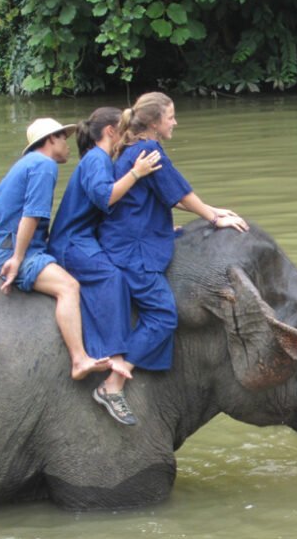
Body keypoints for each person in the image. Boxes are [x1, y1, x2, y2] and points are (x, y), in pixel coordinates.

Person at [97, 92, 248, 423]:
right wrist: (213, 218)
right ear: (153, 122)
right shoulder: (146, 150)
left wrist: (212, 210)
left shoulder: (139, 148)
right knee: (164, 315)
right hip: (132, 249)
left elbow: (170, 193)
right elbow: (180, 193)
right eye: (171, 116)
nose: (175, 122)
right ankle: (113, 383)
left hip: (135, 238)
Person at [48, 107, 163, 425]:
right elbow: (106, 198)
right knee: (113, 278)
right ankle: (113, 359)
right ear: (111, 131)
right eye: (124, 130)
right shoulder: (96, 160)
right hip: (72, 244)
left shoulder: (101, 161)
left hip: (87, 240)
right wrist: (136, 173)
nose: (128, 138)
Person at [0, 118, 112, 380]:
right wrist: (17, 259)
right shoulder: (44, 166)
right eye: (63, 138)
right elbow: (31, 215)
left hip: (6, 245)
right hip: (19, 251)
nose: (67, 144)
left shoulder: (26, 165)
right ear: (51, 139)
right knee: (69, 287)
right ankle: (79, 359)